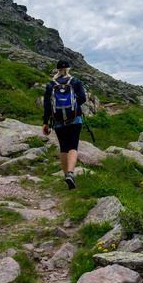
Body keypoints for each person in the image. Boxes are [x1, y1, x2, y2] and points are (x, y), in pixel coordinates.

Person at [42, 59, 86, 189]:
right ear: (68, 69)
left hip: (58, 120)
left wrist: (45, 122)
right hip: (74, 119)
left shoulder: (51, 84)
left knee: (63, 147)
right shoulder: (76, 81)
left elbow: (47, 105)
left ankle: (66, 175)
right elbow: (83, 98)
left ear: (57, 70)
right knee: (73, 145)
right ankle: (71, 174)